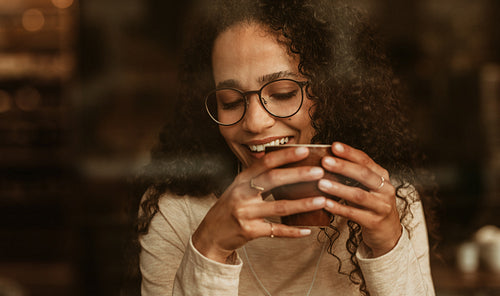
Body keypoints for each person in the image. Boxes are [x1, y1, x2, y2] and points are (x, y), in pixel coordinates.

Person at [134, 0, 438, 295]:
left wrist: (388, 247)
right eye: (230, 101)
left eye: (282, 93)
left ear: (332, 96)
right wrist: (209, 249)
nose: (254, 122)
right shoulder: (179, 210)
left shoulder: (387, 200)